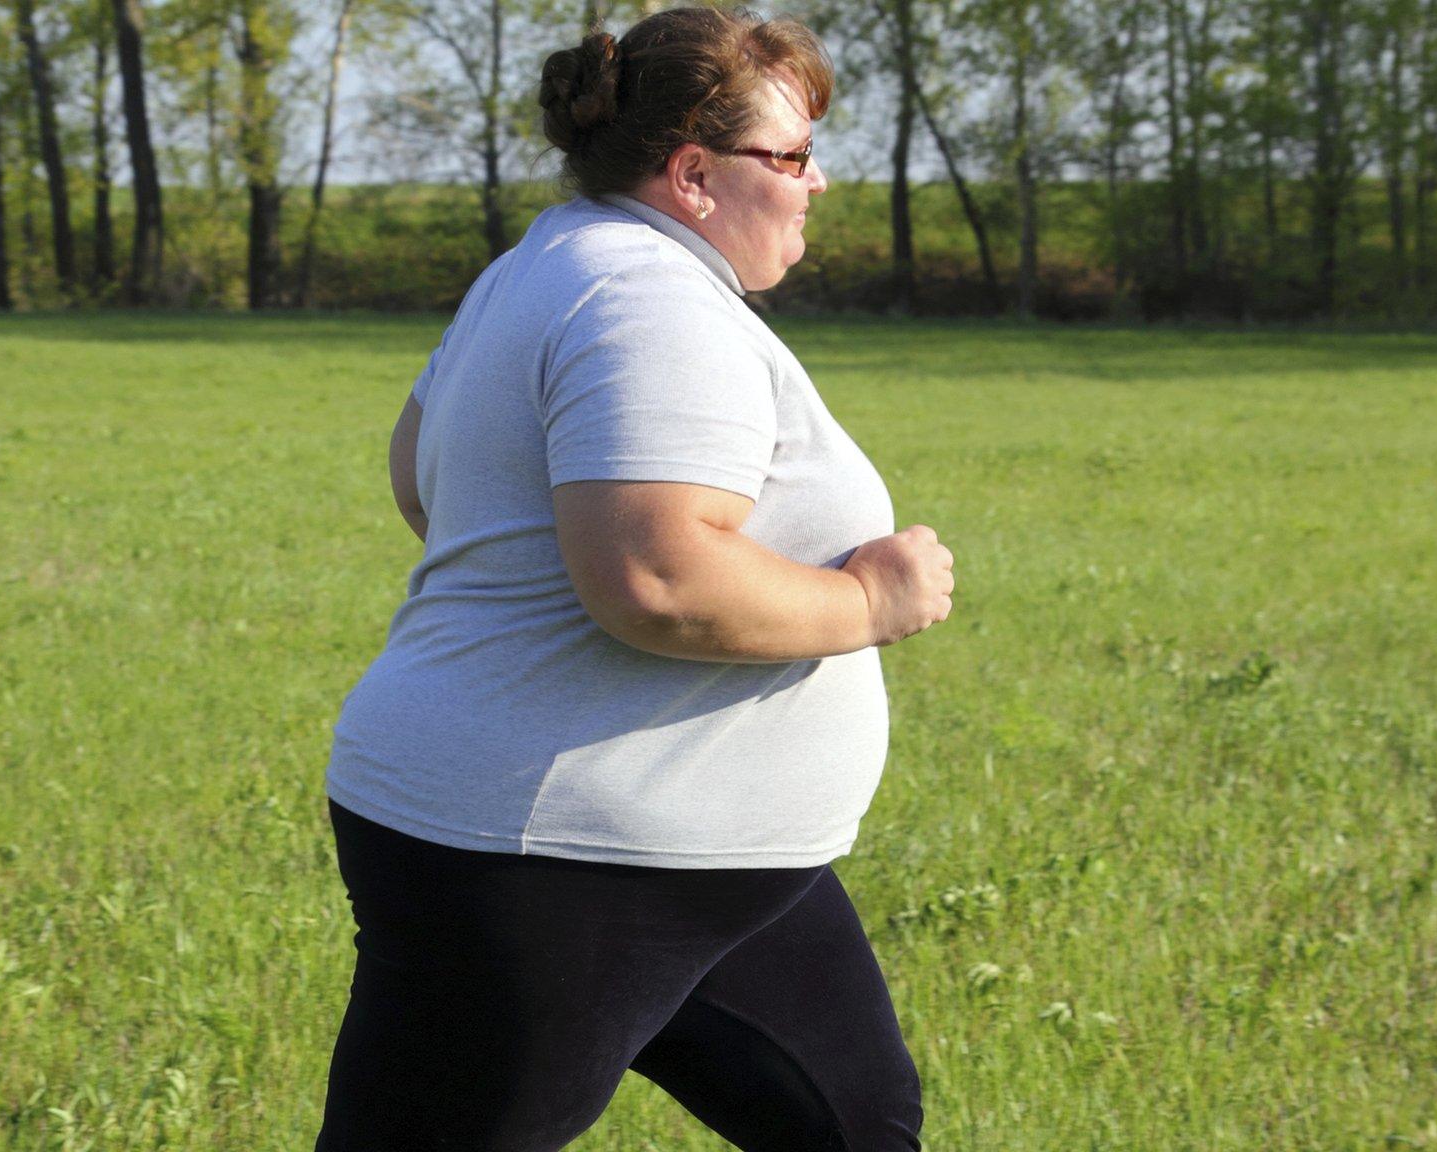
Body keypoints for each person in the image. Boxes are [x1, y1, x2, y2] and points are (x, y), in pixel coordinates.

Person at [315, 7, 956, 1150]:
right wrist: (871, 602)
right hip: (553, 860)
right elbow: (657, 577)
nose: (814, 185)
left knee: (852, 1124)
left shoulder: (543, 265)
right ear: (694, 173)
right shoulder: (647, 304)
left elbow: (424, 479)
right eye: (793, 157)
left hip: (710, 853)